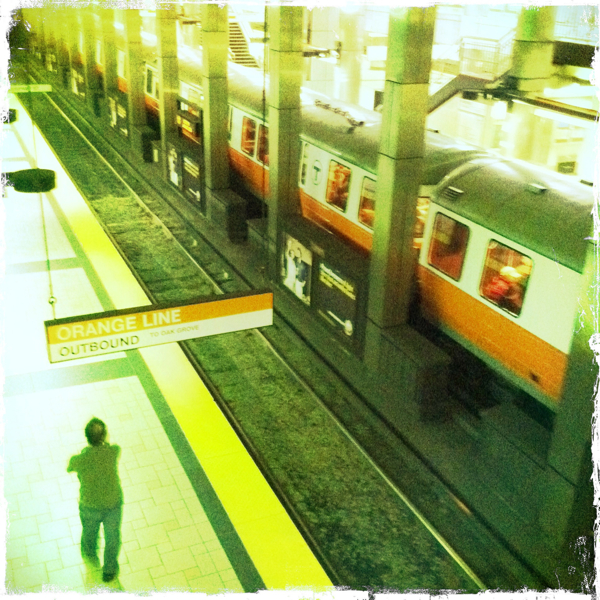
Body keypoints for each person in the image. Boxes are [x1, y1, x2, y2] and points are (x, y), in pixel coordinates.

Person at [67, 418, 123, 583]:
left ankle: (89, 553)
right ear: (104, 435)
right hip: (112, 504)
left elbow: (70, 467)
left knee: (89, 532)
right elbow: (113, 447)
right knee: (112, 538)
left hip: (89, 505)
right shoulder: (113, 452)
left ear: (87, 437)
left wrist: (85, 453)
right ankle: (109, 570)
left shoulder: (78, 459)